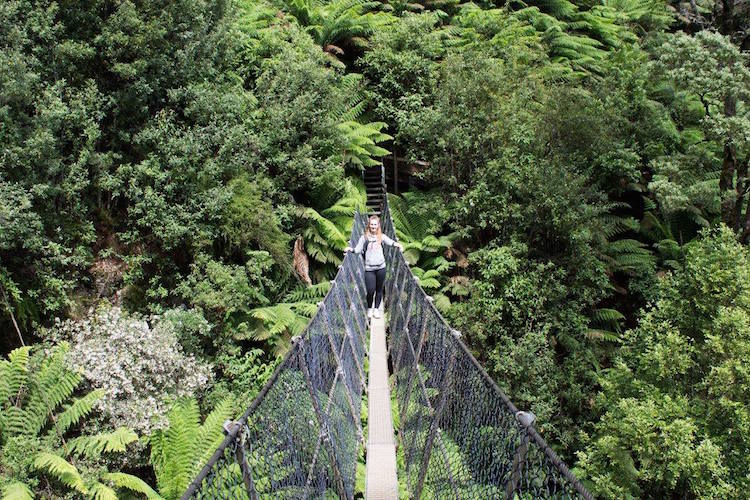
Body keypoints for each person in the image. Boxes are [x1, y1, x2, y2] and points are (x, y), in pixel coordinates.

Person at [345, 215, 403, 319]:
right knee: (371, 290)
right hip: (369, 269)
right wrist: (351, 249)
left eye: (375, 224)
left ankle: (376, 309)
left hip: (381, 267)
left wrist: (398, 245)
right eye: (372, 224)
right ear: (369, 225)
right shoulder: (364, 237)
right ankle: (369, 308)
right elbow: (358, 249)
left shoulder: (381, 236)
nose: (373, 226)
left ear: (378, 225)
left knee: (379, 289)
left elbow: (390, 242)